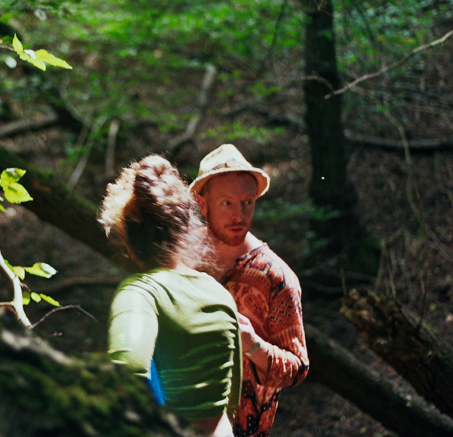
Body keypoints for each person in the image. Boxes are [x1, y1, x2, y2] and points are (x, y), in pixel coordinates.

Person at [100, 155, 242, 437]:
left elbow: (126, 376)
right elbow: (232, 397)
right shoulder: (217, 292)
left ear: (127, 240)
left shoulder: (139, 292)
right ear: (182, 228)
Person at [189, 144, 309, 437]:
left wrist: (253, 345)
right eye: (227, 203)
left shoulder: (275, 277)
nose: (239, 215)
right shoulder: (182, 259)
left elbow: (297, 368)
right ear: (202, 204)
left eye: (247, 202)